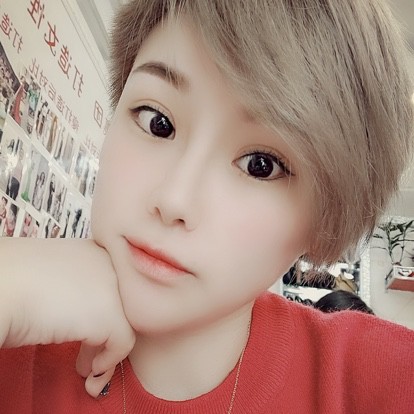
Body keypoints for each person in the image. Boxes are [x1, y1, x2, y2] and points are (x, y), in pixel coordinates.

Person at [0, 1, 414, 413]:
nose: (173, 199)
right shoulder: (15, 331)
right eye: (157, 122)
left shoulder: (375, 379)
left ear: (323, 222)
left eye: (260, 165)